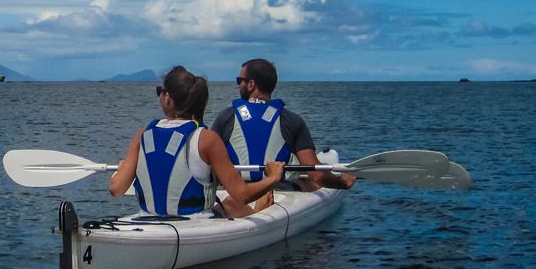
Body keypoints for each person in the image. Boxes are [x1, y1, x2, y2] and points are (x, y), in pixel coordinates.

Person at [109, 65, 284, 219]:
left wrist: (123, 168)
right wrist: (273, 177)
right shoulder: (207, 139)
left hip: (149, 220)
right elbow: (241, 194)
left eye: (159, 92)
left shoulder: (142, 136)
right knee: (233, 203)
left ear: (167, 98)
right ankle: (260, 210)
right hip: (196, 223)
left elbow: (116, 190)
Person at [211, 58, 355, 213]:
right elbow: (316, 174)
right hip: (279, 190)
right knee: (307, 181)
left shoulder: (225, 118)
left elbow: (208, 162)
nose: (238, 84)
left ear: (251, 84)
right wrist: (342, 183)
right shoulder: (292, 120)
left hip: (234, 191)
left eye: (240, 80)